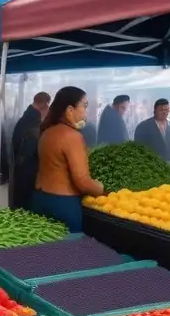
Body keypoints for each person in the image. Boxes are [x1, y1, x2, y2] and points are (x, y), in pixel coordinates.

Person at [33, 86, 104, 232]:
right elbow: (83, 182)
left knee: (43, 252)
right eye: (84, 106)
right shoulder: (72, 136)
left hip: (40, 200)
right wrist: (101, 188)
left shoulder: (47, 132)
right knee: (67, 252)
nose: (86, 112)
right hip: (63, 205)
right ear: (70, 109)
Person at [10, 92, 52, 209]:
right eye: (48, 107)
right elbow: (33, 152)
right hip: (28, 173)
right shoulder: (33, 123)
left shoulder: (25, 119)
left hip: (21, 171)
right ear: (43, 104)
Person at [134, 99, 170, 166]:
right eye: (161, 110)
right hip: (152, 165)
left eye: (166, 110)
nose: (164, 112)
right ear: (155, 111)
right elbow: (138, 147)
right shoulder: (143, 126)